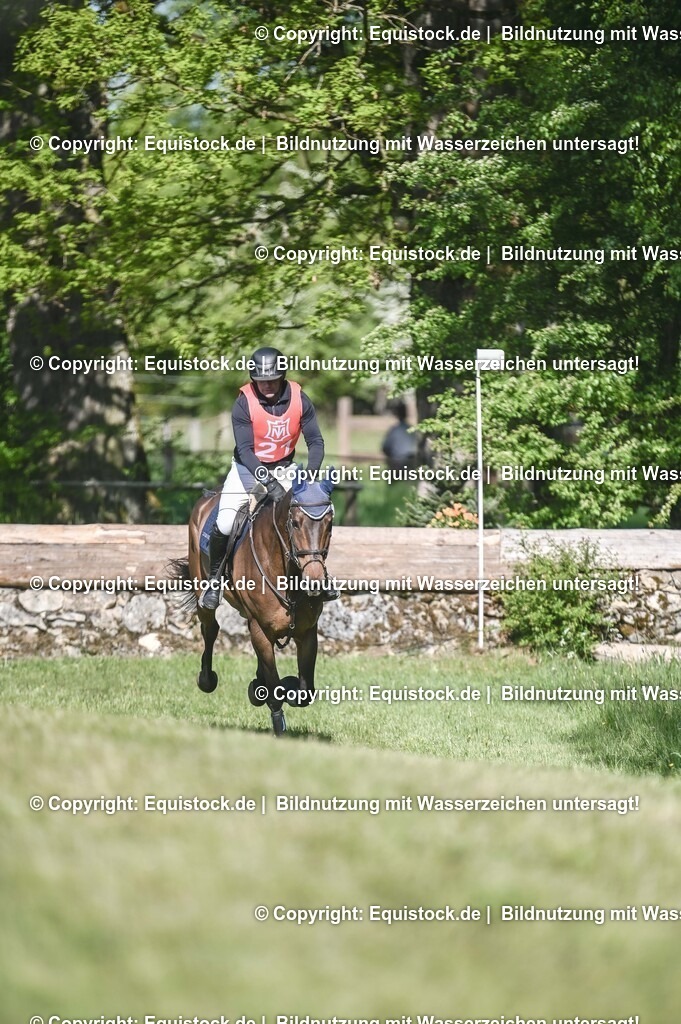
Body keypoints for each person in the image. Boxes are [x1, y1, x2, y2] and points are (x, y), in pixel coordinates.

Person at [200, 346, 326, 609]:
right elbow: (245, 450)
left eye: (272, 379)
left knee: (312, 516)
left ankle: (319, 578)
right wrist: (267, 483)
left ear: (282, 376)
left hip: (286, 469)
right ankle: (214, 580)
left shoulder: (300, 399)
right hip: (247, 470)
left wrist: (310, 476)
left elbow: (315, 441)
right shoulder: (243, 402)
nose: (266, 385)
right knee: (224, 522)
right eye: (261, 380)